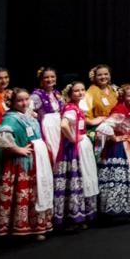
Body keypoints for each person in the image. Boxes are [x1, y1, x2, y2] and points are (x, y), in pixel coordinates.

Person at [0, 89, 54, 239]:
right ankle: (21, 226)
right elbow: (0, 137)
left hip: (36, 160)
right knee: (23, 193)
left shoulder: (28, 115)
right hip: (21, 164)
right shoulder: (10, 119)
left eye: (26, 99)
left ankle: (38, 226)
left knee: (36, 192)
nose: (24, 103)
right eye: (20, 100)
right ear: (12, 103)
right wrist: (17, 149)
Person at [96, 85, 130, 220]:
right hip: (121, 148)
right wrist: (115, 137)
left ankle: (128, 209)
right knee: (121, 178)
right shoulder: (120, 109)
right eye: (129, 96)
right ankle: (116, 211)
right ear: (123, 97)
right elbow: (103, 126)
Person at [53, 82, 97, 228]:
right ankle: (73, 216)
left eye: (82, 90)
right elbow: (64, 124)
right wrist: (73, 138)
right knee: (75, 179)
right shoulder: (71, 108)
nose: (80, 93)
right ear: (70, 94)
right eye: (76, 91)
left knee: (83, 177)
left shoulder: (78, 108)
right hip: (73, 149)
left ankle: (81, 215)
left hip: (81, 145)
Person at [31, 67, 65, 159]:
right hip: (47, 128)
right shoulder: (36, 96)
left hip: (59, 127)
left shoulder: (57, 93)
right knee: (52, 151)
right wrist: (38, 116)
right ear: (41, 80)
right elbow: (28, 112)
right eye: (46, 77)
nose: (50, 79)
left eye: (52, 76)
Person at [83, 65, 118, 139]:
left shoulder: (113, 89)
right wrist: (99, 120)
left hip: (116, 129)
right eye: (99, 75)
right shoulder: (90, 93)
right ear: (94, 77)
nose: (103, 77)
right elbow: (85, 118)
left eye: (106, 74)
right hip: (101, 132)